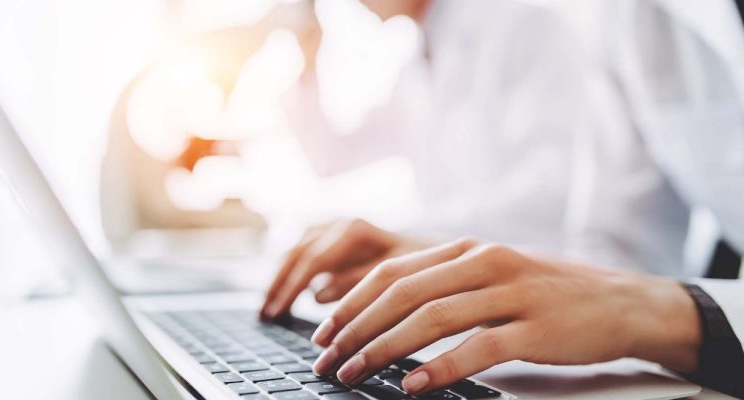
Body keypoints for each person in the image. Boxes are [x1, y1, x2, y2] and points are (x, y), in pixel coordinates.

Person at [262, 0, 744, 398]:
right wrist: (303, 51)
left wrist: (432, 247)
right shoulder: (626, 16)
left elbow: (549, 203)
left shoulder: (523, 24)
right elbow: (619, 249)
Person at [279, 0, 692, 296]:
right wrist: (307, 58)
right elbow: (333, 157)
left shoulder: (522, 25)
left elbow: (555, 193)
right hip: (470, 292)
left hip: (563, 295)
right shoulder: (416, 64)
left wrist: (407, 241)